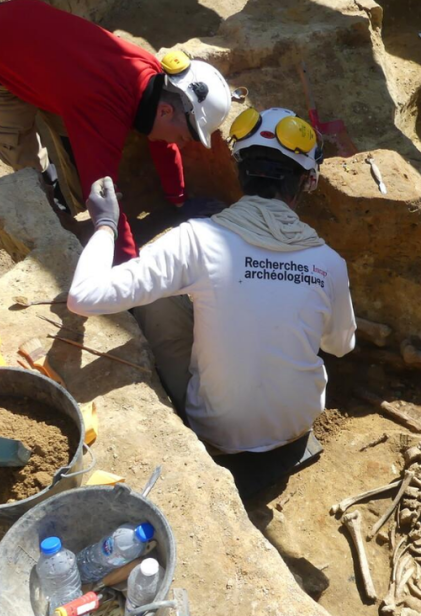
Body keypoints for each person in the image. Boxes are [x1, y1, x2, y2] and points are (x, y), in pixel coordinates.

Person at [67, 107, 356, 494]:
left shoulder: (196, 240)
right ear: (307, 182)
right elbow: (340, 346)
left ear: (240, 172)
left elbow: (84, 296)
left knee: (158, 300)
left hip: (219, 433)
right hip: (296, 424)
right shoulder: (328, 263)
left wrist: (105, 223)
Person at [0, 0, 230, 262]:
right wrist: (128, 269)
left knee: (69, 135)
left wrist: (179, 202)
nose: (181, 144)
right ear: (164, 112)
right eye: (183, 136)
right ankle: (60, 225)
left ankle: (70, 205)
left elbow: (163, 143)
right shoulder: (100, 113)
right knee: (24, 160)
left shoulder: (157, 81)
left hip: (42, 46)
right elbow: (104, 198)